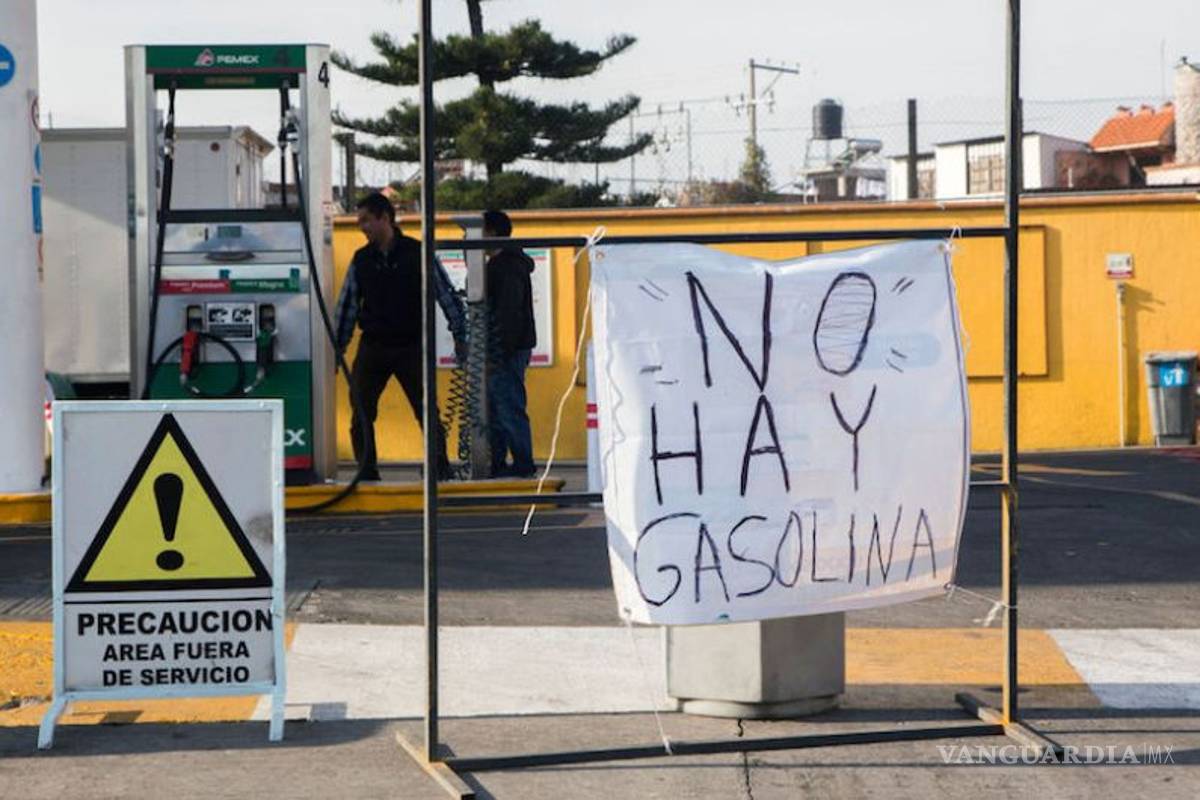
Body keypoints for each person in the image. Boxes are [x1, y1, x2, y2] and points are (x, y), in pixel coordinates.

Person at [334, 191, 466, 481]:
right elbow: (346, 307)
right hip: (374, 345)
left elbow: (445, 294)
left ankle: (439, 469)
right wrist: (337, 349)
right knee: (361, 411)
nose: (362, 227)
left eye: (366, 220)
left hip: (410, 345)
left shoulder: (416, 253)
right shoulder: (361, 259)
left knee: (426, 410)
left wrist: (460, 333)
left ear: (384, 218)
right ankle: (367, 471)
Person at [482, 209, 536, 478]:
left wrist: (499, 352)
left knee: (507, 406)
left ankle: (523, 464)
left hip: (506, 350)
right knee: (496, 407)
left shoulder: (506, 267)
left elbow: (508, 313)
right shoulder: (507, 264)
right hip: (507, 348)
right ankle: (500, 462)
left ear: (490, 232)